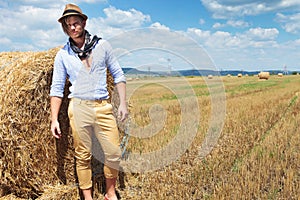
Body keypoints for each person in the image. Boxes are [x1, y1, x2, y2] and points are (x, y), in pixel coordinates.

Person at [50, 3, 127, 200]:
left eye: (76, 23)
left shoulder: (102, 46)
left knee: (113, 153)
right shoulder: (63, 55)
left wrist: (124, 103)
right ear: (65, 28)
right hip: (79, 107)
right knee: (82, 155)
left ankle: (110, 193)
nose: (73, 28)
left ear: (84, 22)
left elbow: (118, 75)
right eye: (68, 25)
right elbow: (57, 89)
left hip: (102, 105)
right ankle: (88, 197)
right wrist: (54, 119)